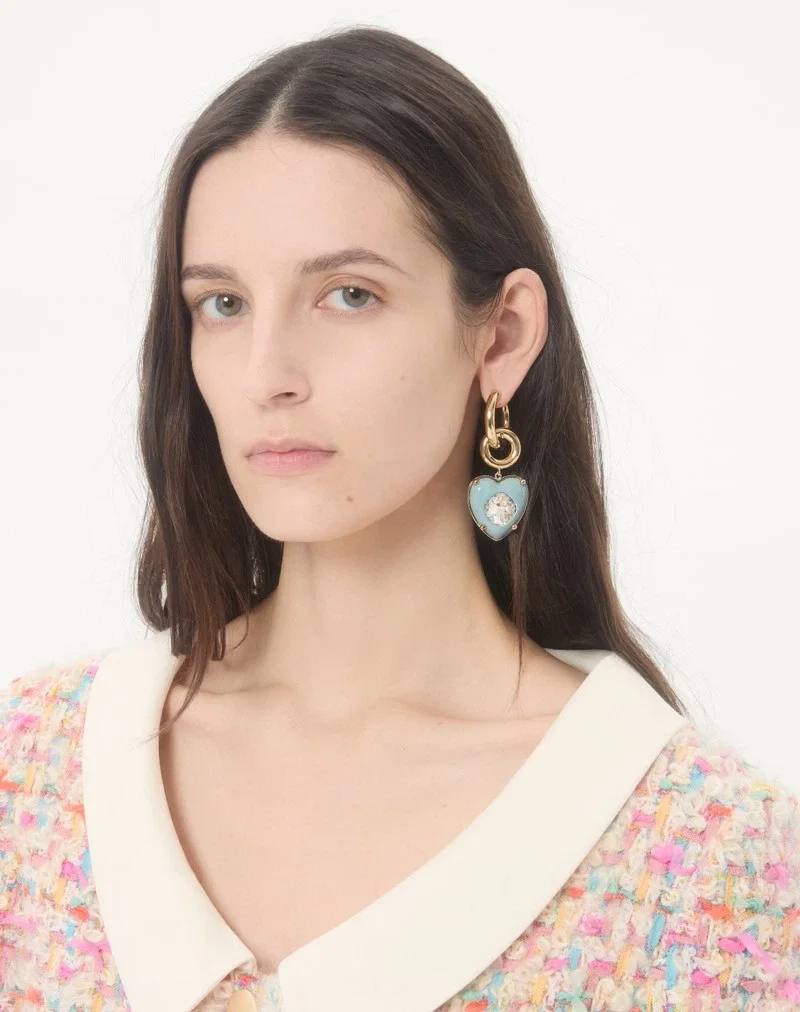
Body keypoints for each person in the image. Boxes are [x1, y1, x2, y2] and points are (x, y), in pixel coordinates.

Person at [1, 24, 798, 1012]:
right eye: (223, 304)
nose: (266, 376)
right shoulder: (30, 774)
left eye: (348, 295)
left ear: (501, 335)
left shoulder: (706, 858)